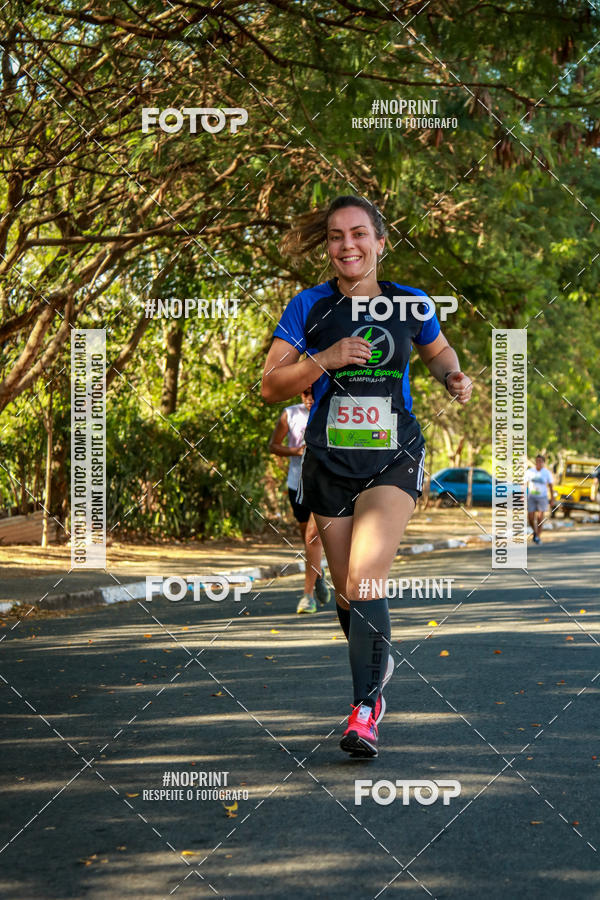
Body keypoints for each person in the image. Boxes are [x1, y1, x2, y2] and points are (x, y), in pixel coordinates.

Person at [261, 195, 472, 758]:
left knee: (365, 581)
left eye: (358, 233)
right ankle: (375, 662)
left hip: (392, 457)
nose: (347, 245)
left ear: (381, 242)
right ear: (328, 247)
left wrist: (452, 376)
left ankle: (364, 710)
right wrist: (325, 358)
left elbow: (439, 353)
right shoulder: (308, 306)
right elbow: (271, 386)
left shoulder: (410, 303)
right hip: (328, 461)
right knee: (348, 597)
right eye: (336, 236)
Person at [268, 386, 331, 613]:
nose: (309, 398)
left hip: (324, 484)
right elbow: (273, 446)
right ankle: (318, 574)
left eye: (313, 392)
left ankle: (307, 596)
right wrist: (296, 451)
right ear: (299, 394)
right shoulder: (290, 414)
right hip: (297, 484)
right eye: (305, 393)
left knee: (313, 537)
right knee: (308, 540)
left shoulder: (331, 410)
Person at [526, 454, 555, 544]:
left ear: (543, 462)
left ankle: (538, 536)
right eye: (537, 461)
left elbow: (550, 486)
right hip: (531, 497)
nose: (538, 463)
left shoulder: (546, 473)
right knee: (530, 517)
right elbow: (524, 483)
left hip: (542, 497)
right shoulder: (530, 471)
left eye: (540, 461)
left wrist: (552, 498)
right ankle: (535, 532)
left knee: (539, 517)